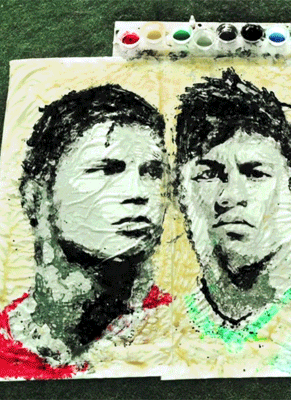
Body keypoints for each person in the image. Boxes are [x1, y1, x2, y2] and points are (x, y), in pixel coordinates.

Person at [0, 84, 173, 380]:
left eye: (153, 172)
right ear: (37, 197)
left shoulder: (175, 330)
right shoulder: (6, 342)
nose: (138, 192)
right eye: (107, 169)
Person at [173, 68, 291, 333]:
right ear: (181, 192)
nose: (231, 196)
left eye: (255, 174)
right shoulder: (163, 325)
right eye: (208, 175)